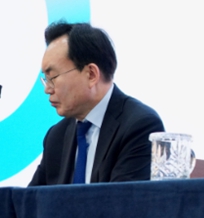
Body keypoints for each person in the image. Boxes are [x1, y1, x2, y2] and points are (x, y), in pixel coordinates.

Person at [29, 22, 165, 185]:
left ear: (91, 74)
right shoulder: (57, 136)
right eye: (46, 79)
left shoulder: (140, 126)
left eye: (53, 77)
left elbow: (123, 198)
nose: (47, 89)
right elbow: (31, 198)